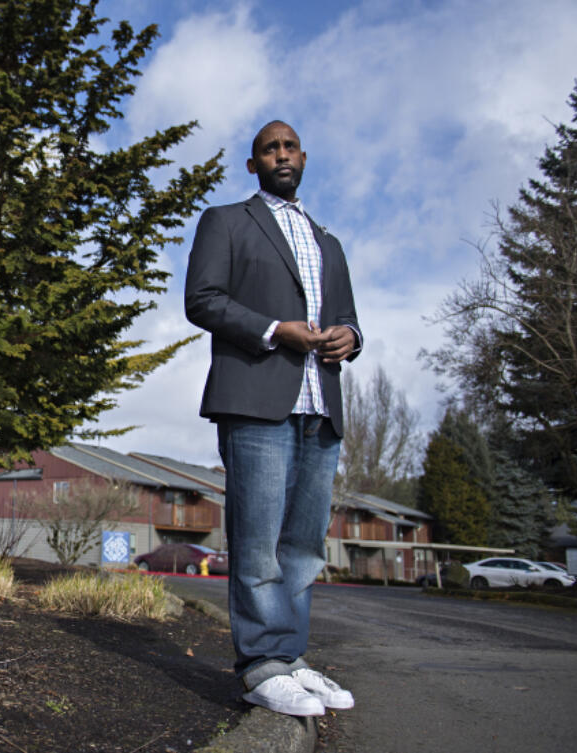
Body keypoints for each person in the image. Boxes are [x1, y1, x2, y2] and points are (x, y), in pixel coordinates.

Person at [184, 120, 361, 717]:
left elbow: (348, 316)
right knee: (258, 546)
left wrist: (349, 338)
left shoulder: (327, 241)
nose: (281, 155)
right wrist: (272, 329)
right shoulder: (227, 221)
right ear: (253, 164)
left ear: (303, 158)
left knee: (303, 549)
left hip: (320, 405)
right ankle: (261, 665)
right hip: (257, 400)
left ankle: (291, 657)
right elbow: (202, 299)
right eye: (269, 148)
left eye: (289, 147)